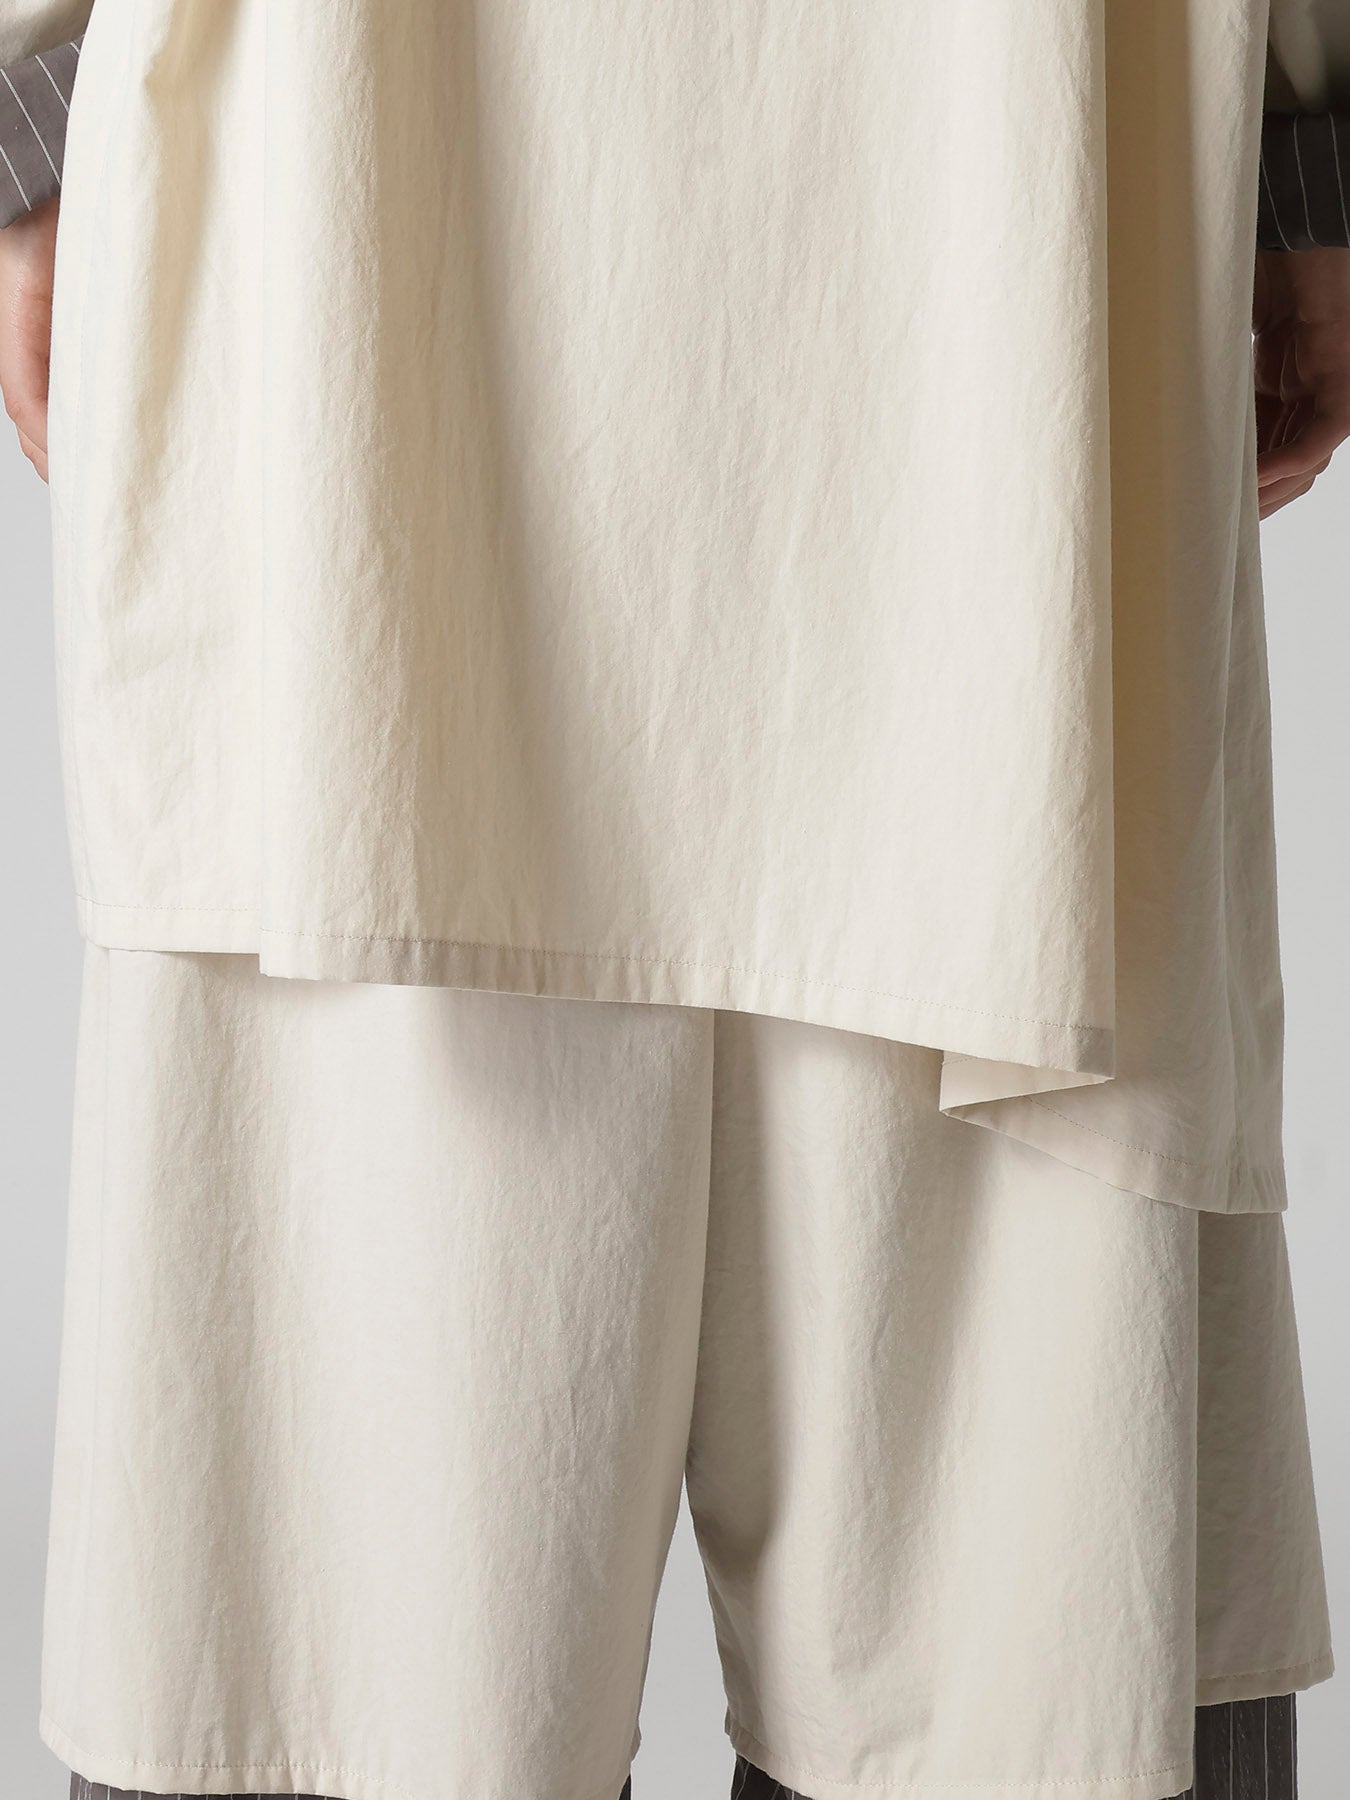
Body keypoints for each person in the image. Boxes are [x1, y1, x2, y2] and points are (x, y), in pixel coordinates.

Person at [1, 4, 1346, 1798]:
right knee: (1028, 1635)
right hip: (1007, 290)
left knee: (344, 1647)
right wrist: (1302, 144)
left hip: (371, 338)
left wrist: (29, 114)